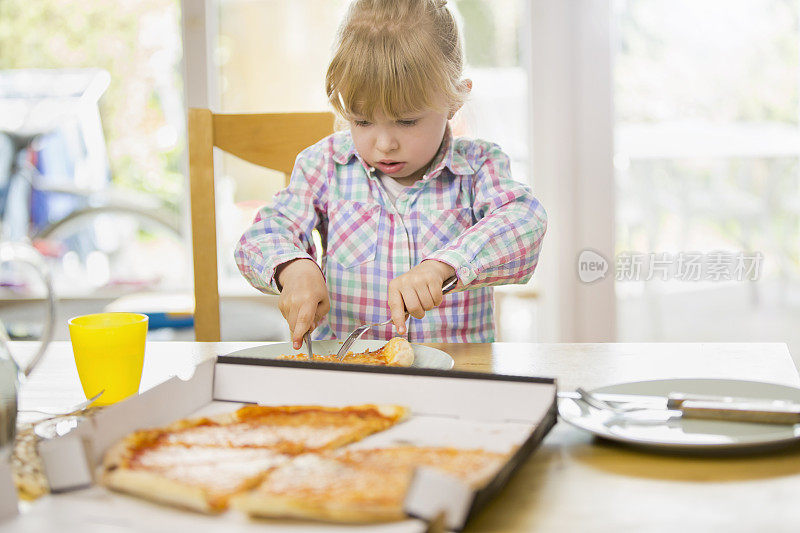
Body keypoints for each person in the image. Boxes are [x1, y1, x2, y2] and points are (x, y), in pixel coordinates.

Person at [235, 0, 547, 349]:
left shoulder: (478, 167)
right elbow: (260, 236)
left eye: (407, 120)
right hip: (350, 375)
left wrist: (444, 266)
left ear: (454, 100)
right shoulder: (323, 166)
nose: (384, 144)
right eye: (362, 121)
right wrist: (292, 268)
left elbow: (525, 220)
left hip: (456, 374)